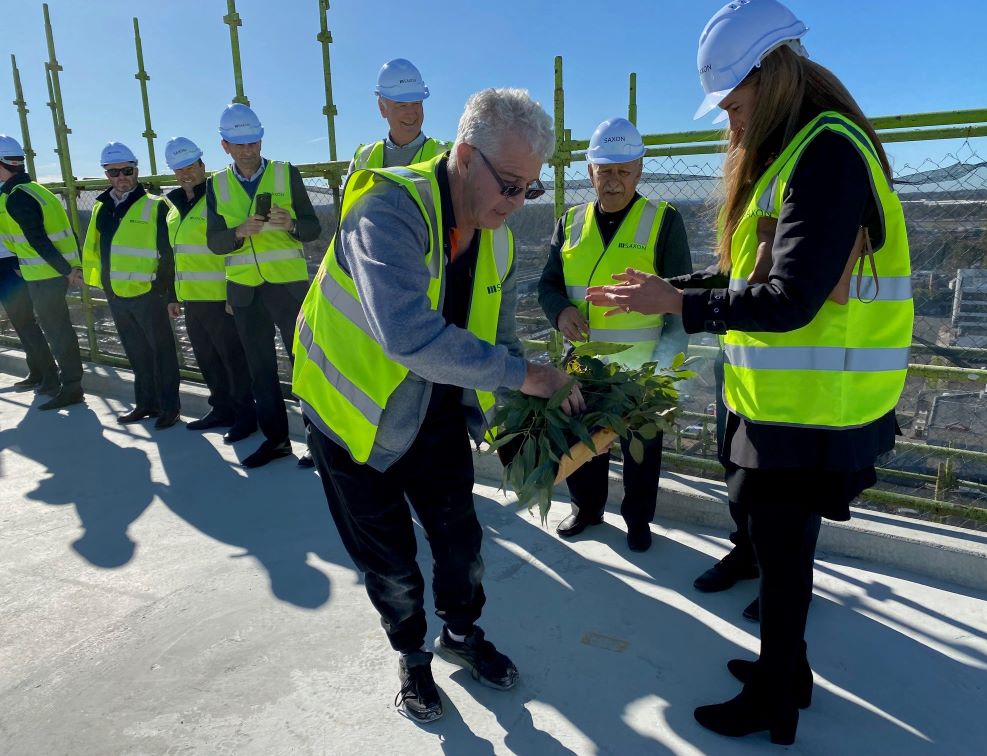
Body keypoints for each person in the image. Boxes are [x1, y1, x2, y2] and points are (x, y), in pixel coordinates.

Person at [586, 0, 912, 744]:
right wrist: (670, 289)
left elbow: (792, 297)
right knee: (781, 553)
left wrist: (680, 303)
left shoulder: (824, 154)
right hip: (791, 408)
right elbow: (754, 271)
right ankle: (785, 673)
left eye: (734, 107)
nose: (731, 127)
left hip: (814, 412)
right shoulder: (805, 151)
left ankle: (775, 702)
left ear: (772, 77)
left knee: (784, 558)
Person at [293, 88, 583, 724]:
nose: (515, 204)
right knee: (392, 565)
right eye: (509, 184)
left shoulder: (497, 237)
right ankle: (413, 657)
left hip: (435, 418)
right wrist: (529, 375)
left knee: (462, 547)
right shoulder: (387, 210)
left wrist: (522, 417)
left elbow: (498, 337)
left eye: (529, 190)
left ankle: (459, 634)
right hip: (351, 424)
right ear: (462, 156)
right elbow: (408, 336)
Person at [537, 117, 691, 552]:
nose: (613, 181)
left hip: (644, 367)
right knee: (584, 443)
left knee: (641, 453)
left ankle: (638, 520)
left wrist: (667, 371)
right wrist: (561, 311)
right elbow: (547, 285)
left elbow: (681, 300)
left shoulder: (663, 221)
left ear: (640, 170)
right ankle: (586, 509)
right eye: (605, 171)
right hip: (584, 363)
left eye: (624, 171)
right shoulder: (569, 224)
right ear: (590, 172)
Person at [205, 103, 321, 468]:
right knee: (260, 369)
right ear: (225, 146)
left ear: (261, 139)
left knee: (303, 365)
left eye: (252, 142)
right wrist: (237, 233)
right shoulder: (216, 184)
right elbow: (214, 242)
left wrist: (290, 225)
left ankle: (320, 443)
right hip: (244, 291)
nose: (247, 150)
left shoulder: (287, 173)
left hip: (287, 288)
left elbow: (313, 229)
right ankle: (277, 441)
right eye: (239, 144)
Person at [82, 142, 180, 429]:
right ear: (106, 174)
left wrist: (165, 292)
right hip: (117, 294)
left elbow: (169, 254)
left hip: (149, 293)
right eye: (113, 172)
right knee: (136, 352)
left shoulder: (156, 206)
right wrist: (103, 284)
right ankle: (145, 404)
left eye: (126, 170)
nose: (120, 177)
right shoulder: (102, 207)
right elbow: (97, 248)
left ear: (136, 170)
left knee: (162, 352)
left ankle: (169, 408)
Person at [162, 137, 256, 439]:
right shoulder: (173, 206)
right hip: (192, 298)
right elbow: (175, 255)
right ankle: (221, 409)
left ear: (203, 165)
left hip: (220, 296)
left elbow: (236, 245)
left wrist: (233, 290)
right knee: (207, 358)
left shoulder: (219, 196)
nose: (186, 174)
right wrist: (174, 295)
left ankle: (245, 416)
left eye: (191, 167)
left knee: (233, 360)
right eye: (179, 169)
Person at [0, 134, 84, 409]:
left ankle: (71, 388)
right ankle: (65, 384)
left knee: (58, 332)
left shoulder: (15, 198)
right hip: (48, 273)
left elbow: (37, 240)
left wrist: (65, 270)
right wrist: (71, 267)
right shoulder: (38, 190)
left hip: (45, 275)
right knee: (60, 330)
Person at [348, 59, 450, 173]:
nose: (411, 112)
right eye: (402, 105)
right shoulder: (363, 159)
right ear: (382, 107)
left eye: (416, 103)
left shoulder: (449, 155)